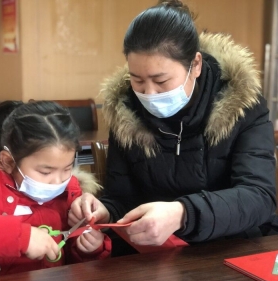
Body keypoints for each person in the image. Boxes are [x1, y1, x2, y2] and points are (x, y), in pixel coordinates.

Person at [69, 0, 277, 252]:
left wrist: (182, 213)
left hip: (231, 247)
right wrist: (105, 211)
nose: (149, 93)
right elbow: (121, 198)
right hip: (155, 257)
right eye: (137, 80)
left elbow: (259, 197)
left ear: (196, 65)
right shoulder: (126, 111)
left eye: (161, 80)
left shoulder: (243, 105)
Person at [0, 100, 111, 279]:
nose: (57, 181)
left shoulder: (70, 194)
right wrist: (21, 237)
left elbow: (75, 266)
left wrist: (89, 249)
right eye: (45, 171)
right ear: (9, 162)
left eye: (67, 168)